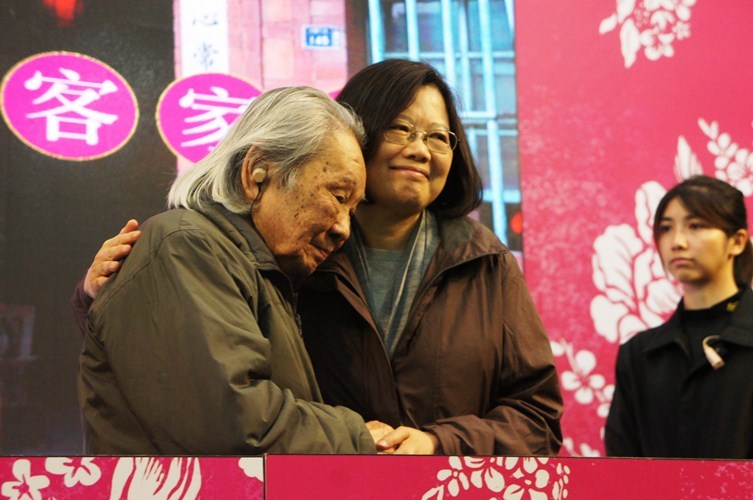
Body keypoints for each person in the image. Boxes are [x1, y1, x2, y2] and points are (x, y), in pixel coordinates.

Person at [74, 59, 563, 456]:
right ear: (257, 174)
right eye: (401, 128)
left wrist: (438, 444)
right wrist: (98, 295)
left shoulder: (485, 261)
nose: (420, 150)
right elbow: (221, 404)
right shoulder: (272, 258)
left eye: (439, 137)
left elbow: (537, 416)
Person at [75, 86, 391, 455]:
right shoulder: (184, 245)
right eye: (337, 197)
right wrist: (358, 437)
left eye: (352, 210)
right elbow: (232, 424)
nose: (343, 229)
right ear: (257, 174)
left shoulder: (255, 269)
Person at [605, 175, 753, 458]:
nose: (677, 242)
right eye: (666, 228)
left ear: (737, 242)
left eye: (695, 226)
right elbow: (623, 463)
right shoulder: (639, 355)